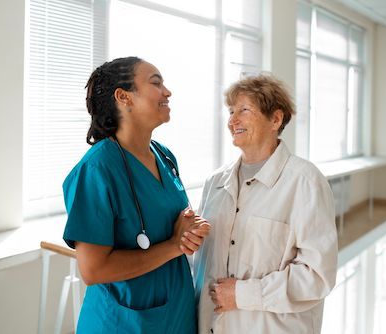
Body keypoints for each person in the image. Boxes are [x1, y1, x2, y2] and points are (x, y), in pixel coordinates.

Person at [63, 56, 210, 333]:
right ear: (124, 97)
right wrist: (173, 245)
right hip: (123, 322)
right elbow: (93, 270)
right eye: (156, 83)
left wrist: (191, 227)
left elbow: (170, 219)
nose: (167, 91)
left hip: (176, 315)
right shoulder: (97, 169)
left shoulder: (165, 156)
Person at [192, 74, 338, 333]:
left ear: (276, 119)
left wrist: (243, 294)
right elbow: (204, 264)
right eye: (231, 111)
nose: (232, 120)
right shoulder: (214, 183)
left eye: (244, 110)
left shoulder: (305, 181)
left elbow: (317, 276)